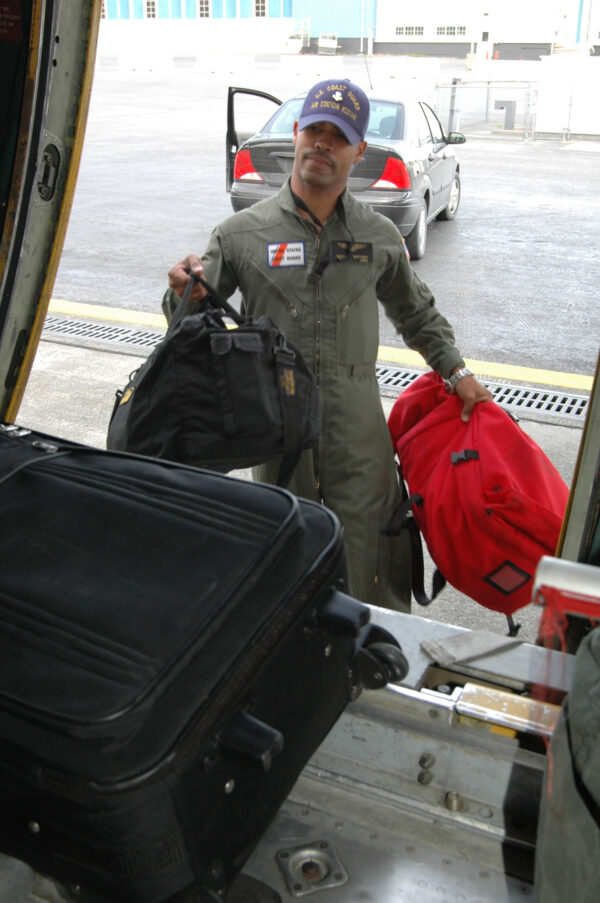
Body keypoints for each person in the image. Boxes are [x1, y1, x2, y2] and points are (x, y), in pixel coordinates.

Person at [163, 78, 492, 612]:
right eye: (314, 129)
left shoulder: (380, 237)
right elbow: (190, 327)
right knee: (286, 543)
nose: (322, 143)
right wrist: (182, 293)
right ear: (295, 135)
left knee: (369, 548)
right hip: (275, 426)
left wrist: (457, 374)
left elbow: (416, 312)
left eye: (337, 136)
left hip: (357, 425)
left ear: (357, 151)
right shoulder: (240, 234)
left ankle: (369, 662)